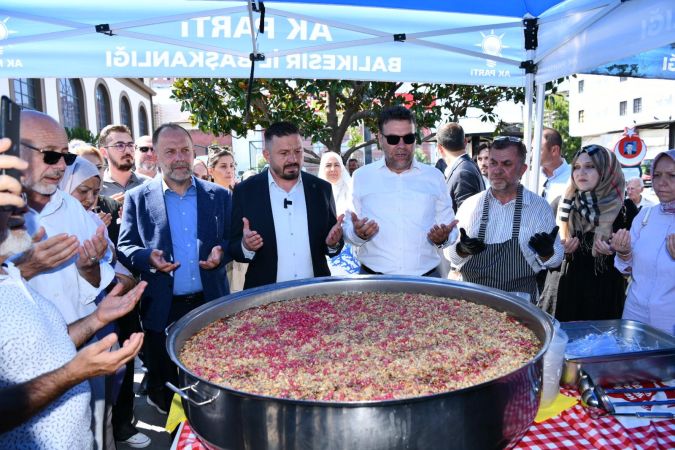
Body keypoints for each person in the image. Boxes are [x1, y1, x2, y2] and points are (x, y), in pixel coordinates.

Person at [0, 135, 146, 449]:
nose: (32, 225)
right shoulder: (16, 269)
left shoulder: (9, 273)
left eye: (66, 157)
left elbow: (49, 339)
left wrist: (96, 318)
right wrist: (71, 373)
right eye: (12, 210)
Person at [118, 123, 232, 415]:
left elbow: (232, 240)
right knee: (171, 392)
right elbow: (126, 246)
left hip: (211, 307)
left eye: (185, 150)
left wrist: (224, 252)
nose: (179, 157)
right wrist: (147, 258)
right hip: (163, 311)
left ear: (194, 152)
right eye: (170, 151)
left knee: (216, 385)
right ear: (156, 155)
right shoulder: (137, 197)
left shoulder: (219, 196)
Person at [59, 157, 147, 447]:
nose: (89, 199)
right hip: (66, 332)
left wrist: (115, 276)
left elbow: (116, 273)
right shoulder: (45, 225)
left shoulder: (91, 221)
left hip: (100, 324)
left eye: (95, 192)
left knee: (102, 413)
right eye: (82, 191)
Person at [345, 106, 458, 276]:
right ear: (380, 139)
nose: (401, 145)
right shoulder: (361, 177)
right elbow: (348, 230)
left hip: (426, 279)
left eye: (408, 138)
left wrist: (443, 239)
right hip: (373, 280)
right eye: (392, 139)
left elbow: (451, 228)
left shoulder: (434, 177)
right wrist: (358, 234)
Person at [229, 121, 344, 289]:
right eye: (284, 153)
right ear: (267, 155)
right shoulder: (246, 192)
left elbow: (332, 243)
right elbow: (233, 247)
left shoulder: (321, 189)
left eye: (298, 151)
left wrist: (333, 243)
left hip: (316, 293)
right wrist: (246, 246)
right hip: (265, 297)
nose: (293, 159)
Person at [449, 136, 563, 302]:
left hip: (519, 305)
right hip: (473, 303)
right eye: (493, 163)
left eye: (507, 164)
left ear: (522, 170)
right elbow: (451, 256)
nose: (497, 170)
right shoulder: (471, 205)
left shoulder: (539, 208)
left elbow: (555, 260)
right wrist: (461, 249)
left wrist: (547, 253)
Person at [548, 145, 638, 321]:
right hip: (564, 294)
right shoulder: (561, 205)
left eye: (590, 166)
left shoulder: (625, 210)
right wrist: (560, 251)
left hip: (604, 298)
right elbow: (545, 257)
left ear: (606, 170)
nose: (581, 173)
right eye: (577, 167)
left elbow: (636, 262)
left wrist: (619, 252)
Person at [613, 149, 675, 335]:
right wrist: (623, 252)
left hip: (669, 320)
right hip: (634, 312)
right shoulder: (646, 215)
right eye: (656, 175)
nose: (662, 182)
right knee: (631, 362)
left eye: (672, 175)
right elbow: (629, 267)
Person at [72, 143, 123, 245]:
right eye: (87, 166)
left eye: (99, 167)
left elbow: (124, 247)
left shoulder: (113, 206)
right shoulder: (66, 206)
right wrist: (92, 228)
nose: (94, 172)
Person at [318, 152, 360, 275]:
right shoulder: (316, 193)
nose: (333, 169)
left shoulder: (352, 189)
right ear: (322, 168)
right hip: (324, 250)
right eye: (328, 165)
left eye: (336, 165)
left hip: (352, 250)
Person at [437, 122, 485, 212]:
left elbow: (467, 219)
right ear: (465, 142)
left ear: (439, 148)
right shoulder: (467, 166)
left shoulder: (462, 173)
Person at [99, 124, 148, 203]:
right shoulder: (96, 189)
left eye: (130, 145)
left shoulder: (149, 185)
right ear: (104, 152)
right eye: (120, 146)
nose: (128, 151)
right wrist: (108, 207)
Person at [539, 127, 571, 205]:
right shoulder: (529, 176)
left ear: (554, 150)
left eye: (539, 149)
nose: (532, 154)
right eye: (532, 148)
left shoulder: (574, 177)